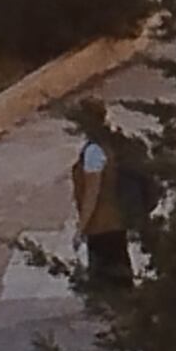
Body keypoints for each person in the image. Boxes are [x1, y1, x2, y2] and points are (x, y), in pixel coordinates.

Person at [69, 106, 137, 291]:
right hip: (116, 219)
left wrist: (81, 228)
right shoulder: (108, 144)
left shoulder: (93, 151)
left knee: (107, 280)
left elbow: (92, 192)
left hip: (101, 224)